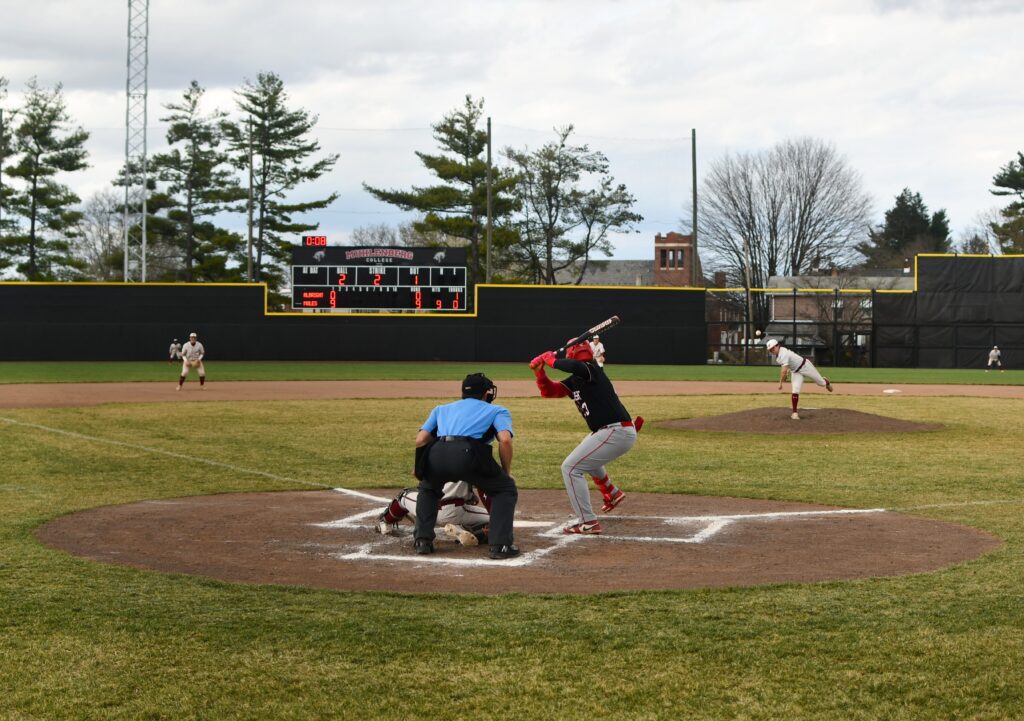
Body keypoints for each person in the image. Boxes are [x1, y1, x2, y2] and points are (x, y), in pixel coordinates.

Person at [529, 341, 642, 535]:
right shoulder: (576, 380)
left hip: (615, 431)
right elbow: (549, 391)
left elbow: (571, 365)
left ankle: (587, 521)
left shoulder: (591, 369)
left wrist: (548, 358)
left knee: (570, 468)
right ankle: (611, 492)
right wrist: (540, 372)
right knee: (584, 454)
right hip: (609, 432)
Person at [413, 373, 520, 559]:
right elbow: (505, 440)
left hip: (437, 452)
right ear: (487, 393)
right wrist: (506, 472)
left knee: (428, 489)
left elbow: (421, 440)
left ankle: (422, 541)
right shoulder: (497, 410)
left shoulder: (441, 408)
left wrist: (420, 468)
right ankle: (500, 546)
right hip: (469, 453)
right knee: (505, 489)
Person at [376, 481, 490, 546]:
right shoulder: (470, 453)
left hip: (428, 509)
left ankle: (385, 522)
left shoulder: (436, 453)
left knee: (404, 495)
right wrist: (469, 495)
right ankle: (466, 530)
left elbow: (423, 481)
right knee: (494, 517)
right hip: (458, 512)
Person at [765, 338, 832, 420]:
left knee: (821, 384)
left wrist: (781, 383)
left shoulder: (783, 352)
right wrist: (787, 372)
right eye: (770, 350)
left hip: (805, 366)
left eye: (773, 348)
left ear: (778, 345)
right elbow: (786, 367)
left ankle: (826, 381)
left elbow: (783, 371)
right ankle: (794, 413)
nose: (772, 350)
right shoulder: (778, 357)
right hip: (796, 372)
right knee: (795, 390)